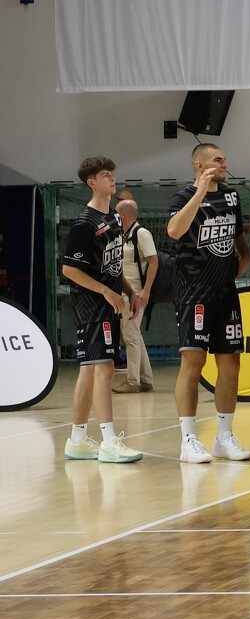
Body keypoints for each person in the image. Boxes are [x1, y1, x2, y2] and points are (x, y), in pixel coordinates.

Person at [167, 142, 250, 464]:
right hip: (194, 294)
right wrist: (200, 193)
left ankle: (224, 437)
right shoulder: (182, 197)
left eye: (225, 158)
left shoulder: (231, 196)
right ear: (200, 166)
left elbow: (240, 239)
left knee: (231, 364)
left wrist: (244, 258)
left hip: (225, 292)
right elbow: (174, 231)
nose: (225, 163)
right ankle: (188, 440)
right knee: (193, 363)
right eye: (218, 159)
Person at [61, 156, 142, 464]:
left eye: (112, 174)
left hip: (109, 301)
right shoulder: (85, 223)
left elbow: (112, 265)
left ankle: (77, 440)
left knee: (89, 369)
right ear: (92, 183)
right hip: (92, 304)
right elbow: (70, 270)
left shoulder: (114, 219)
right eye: (106, 175)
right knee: (105, 368)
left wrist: (128, 290)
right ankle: (109, 442)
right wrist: (106, 291)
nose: (112, 178)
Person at [111, 195, 156, 394]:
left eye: (116, 213)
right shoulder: (123, 235)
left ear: (123, 214)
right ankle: (145, 380)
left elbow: (154, 262)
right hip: (125, 292)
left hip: (135, 292)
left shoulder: (141, 233)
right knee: (134, 335)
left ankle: (133, 381)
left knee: (130, 336)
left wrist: (146, 290)